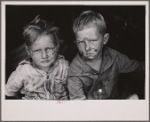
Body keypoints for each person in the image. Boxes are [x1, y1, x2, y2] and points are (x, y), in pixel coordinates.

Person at [67, 10, 145, 100]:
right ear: (76, 43)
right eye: (80, 42)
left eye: (92, 40)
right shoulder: (74, 71)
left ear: (105, 39)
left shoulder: (114, 57)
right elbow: (79, 105)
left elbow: (138, 68)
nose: (87, 47)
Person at [5, 16, 69, 100]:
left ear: (57, 46)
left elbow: (75, 90)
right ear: (28, 51)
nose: (44, 55)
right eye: (37, 51)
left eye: (49, 49)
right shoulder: (23, 71)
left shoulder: (64, 66)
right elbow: (9, 92)